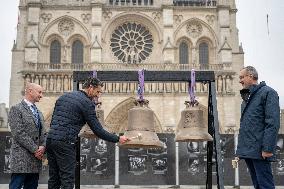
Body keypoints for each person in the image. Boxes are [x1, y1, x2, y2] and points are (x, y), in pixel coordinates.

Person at [46, 77, 129, 189]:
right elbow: (98, 130)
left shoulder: (63, 97)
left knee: (54, 178)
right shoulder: (86, 103)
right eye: (98, 91)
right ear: (90, 88)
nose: (98, 95)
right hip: (65, 143)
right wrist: (118, 139)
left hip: (51, 140)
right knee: (67, 179)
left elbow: (53, 122)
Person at [236, 66, 280, 189]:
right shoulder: (246, 99)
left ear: (251, 76)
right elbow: (246, 126)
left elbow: (273, 123)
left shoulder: (268, 92)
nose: (240, 81)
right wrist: (241, 151)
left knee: (265, 185)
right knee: (257, 185)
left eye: (241, 77)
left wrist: (267, 148)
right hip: (249, 151)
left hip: (261, 150)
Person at [8, 83, 46, 189]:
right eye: (39, 92)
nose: (41, 95)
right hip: (22, 159)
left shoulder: (39, 112)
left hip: (35, 160)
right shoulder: (16, 109)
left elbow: (44, 133)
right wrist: (36, 150)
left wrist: (43, 146)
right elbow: (18, 133)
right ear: (30, 91)